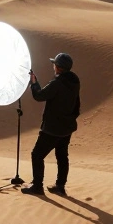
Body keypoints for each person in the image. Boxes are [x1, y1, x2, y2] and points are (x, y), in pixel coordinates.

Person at [21, 52, 81, 197]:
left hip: (53, 128)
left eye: (55, 64)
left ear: (59, 68)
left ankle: (37, 186)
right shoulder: (74, 81)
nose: (53, 66)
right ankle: (60, 186)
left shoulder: (57, 83)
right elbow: (76, 103)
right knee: (62, 155)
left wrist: (34, 83)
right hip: (67, 127)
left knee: (37, 155)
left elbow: (39, 96)